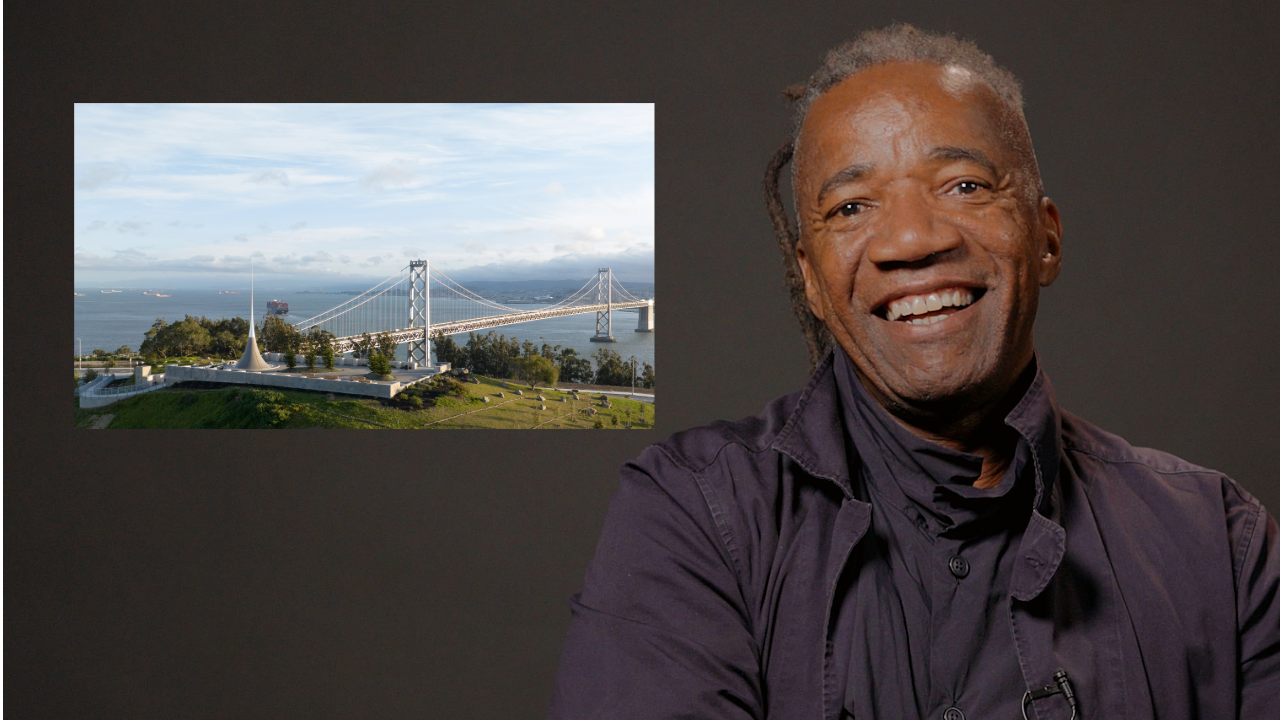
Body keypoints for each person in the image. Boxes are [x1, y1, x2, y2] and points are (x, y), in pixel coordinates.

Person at [548, 25, 1279, 720]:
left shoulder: (1220, 543)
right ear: (810, 279)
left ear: (1047, 237)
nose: (910, 238)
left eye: (963, 185)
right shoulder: (693, 515)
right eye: (852, 206)